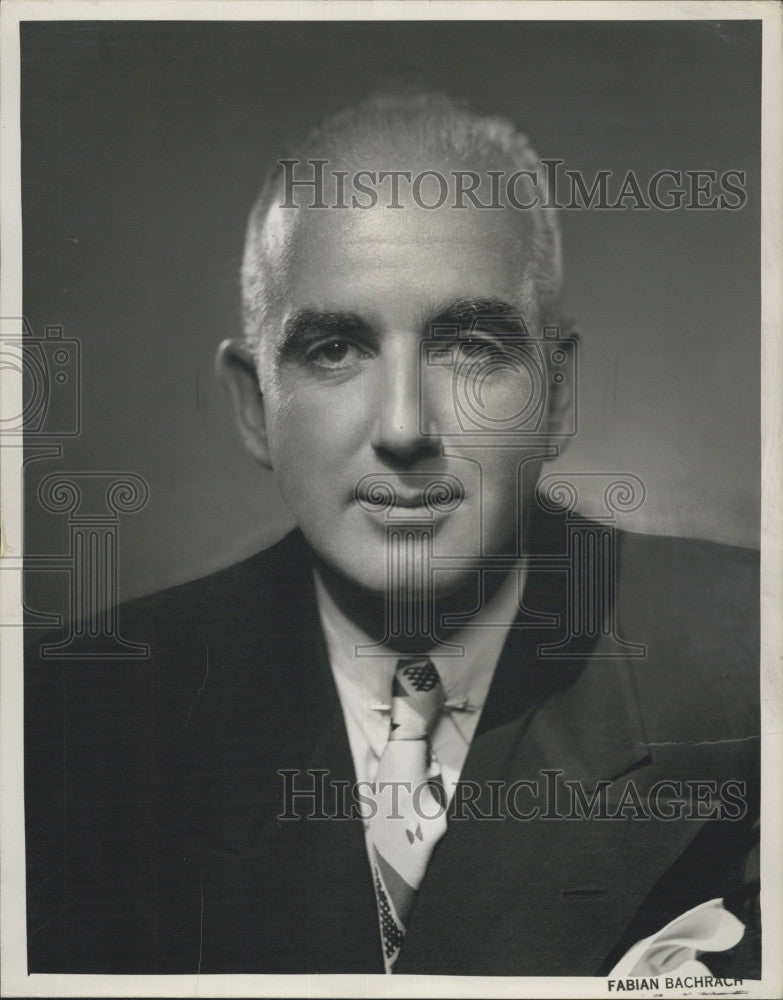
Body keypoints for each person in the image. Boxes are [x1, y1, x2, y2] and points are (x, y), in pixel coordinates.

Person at [25, 93, 760, 977]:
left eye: (471, 345)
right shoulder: (64, 720)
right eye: (335, 350)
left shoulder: (752, 663)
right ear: (256, 407)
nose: (406, 427)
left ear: (555, 395)